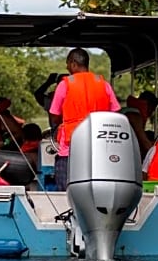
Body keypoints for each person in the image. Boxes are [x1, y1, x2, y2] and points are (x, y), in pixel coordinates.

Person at [48, 47, 121, 191]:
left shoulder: (65, 84)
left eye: (68, 64)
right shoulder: (103, 84)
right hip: (100, 147)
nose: (67, 67)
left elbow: (54, 114)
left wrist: (58, 125)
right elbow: (116, 113)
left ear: (74, 63)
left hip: (70, 148)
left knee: (66, 191)